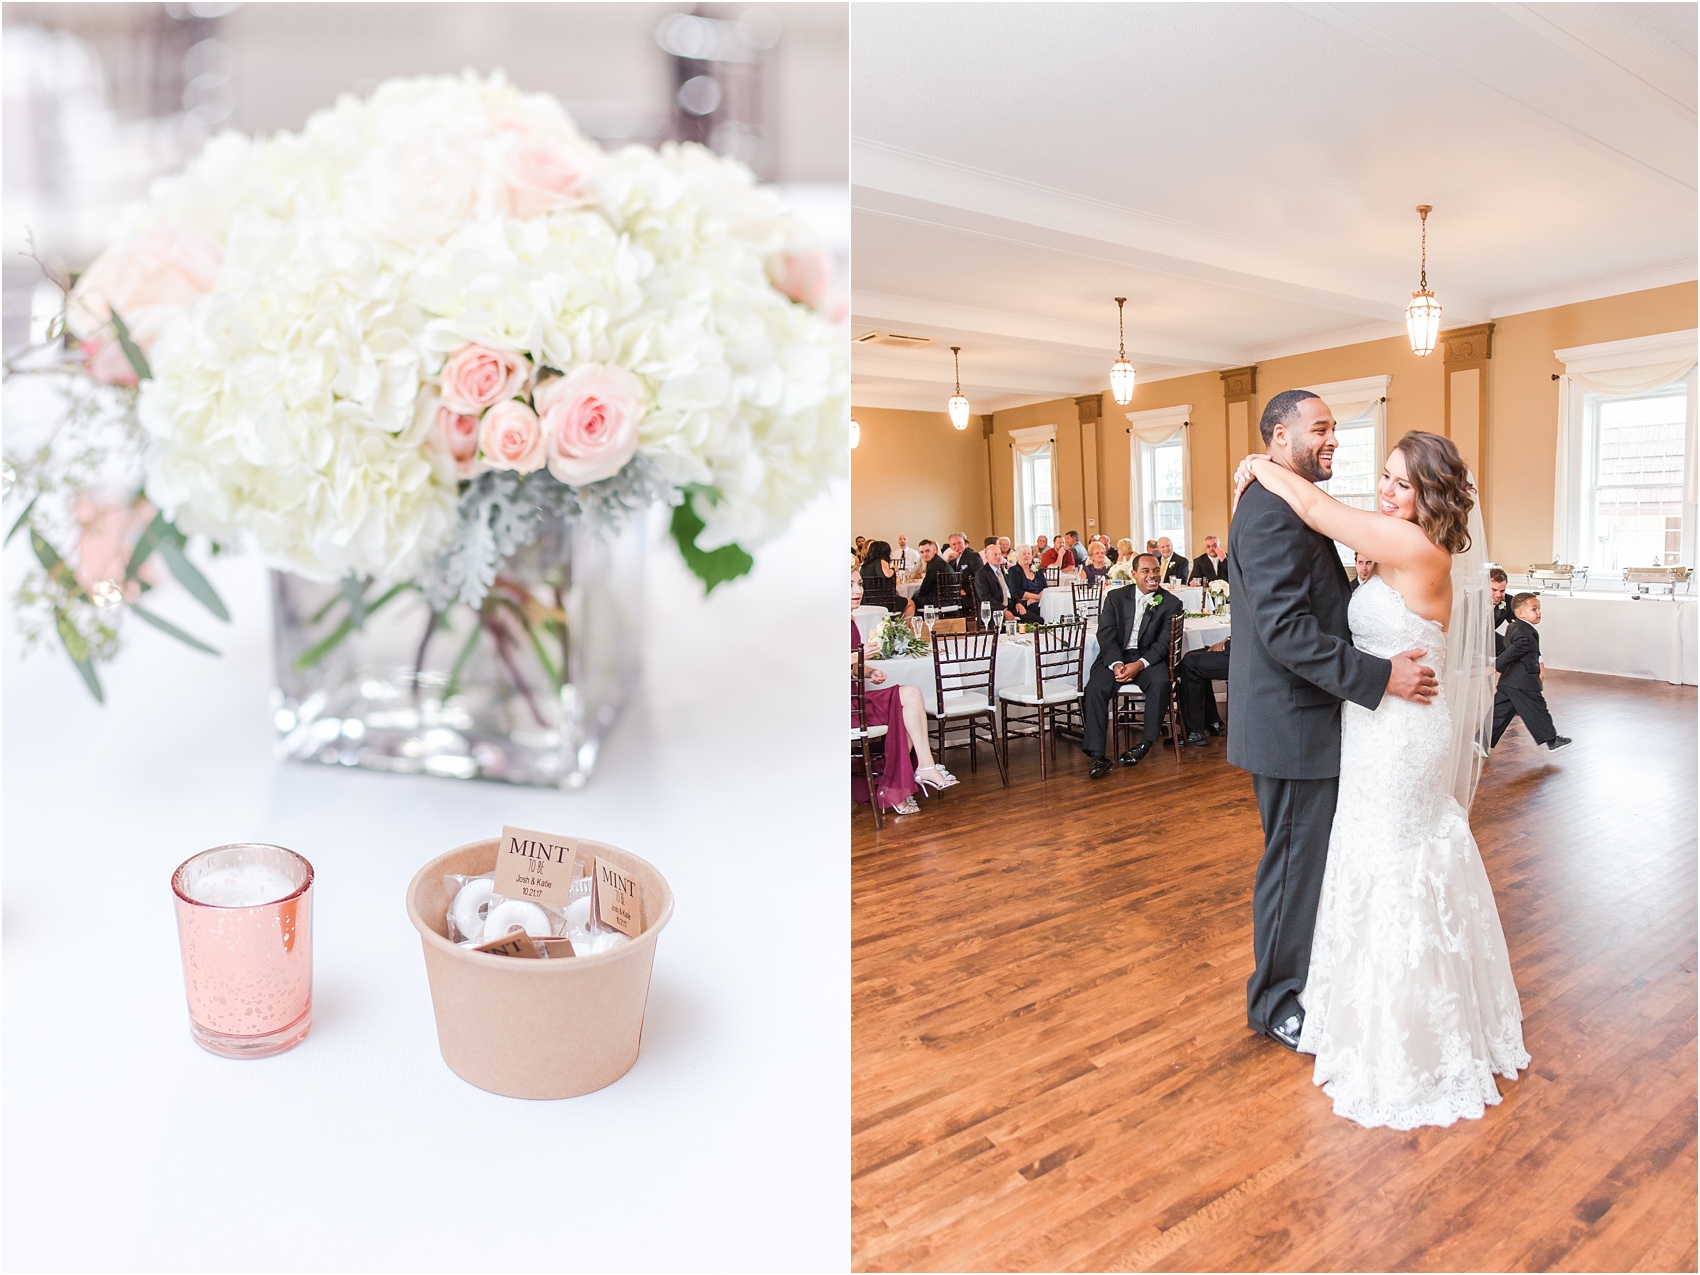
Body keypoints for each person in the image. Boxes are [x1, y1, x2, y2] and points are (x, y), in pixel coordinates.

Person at [1231, 404, 1527, 1130]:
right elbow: (1291, 618)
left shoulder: (1405, 544)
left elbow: (1319, 508)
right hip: (1356, 721)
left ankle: (1399, 1023)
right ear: (1282, 434)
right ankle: (1293, 1001)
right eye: (1384, 478)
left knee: (1383, 865)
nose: (1385, 489)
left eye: (1399, 482)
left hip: (1394, 729)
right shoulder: (1397, 543)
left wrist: (1261, 468)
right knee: (1338, 862)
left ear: (1430, 493)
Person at [852, 598, 958, 816]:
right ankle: (897, 785)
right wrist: (855, 657)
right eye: (850, 584)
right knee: (906, 705)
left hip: (855, 699)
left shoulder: (849, 621)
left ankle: (923, 767)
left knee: (911, 696)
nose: (857, 590)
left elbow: (853, 666)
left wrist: (868, 671)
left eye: (859, 583)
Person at [1081, 553, 1183, 777]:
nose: (1152, 575)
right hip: (1117, 656)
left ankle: (1145, 744)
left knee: (1161, 683)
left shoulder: (1171, 602)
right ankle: (1097, 755)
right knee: (1095, 688)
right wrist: (1117, 663)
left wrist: (1140, 664)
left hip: (1149, 657)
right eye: (1146, 571)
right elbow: (1106, 634)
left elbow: (1164, 643)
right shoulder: (1115, 597)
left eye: (1156, 570)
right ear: (1134, 574)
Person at [1492, 593, 1571, 752]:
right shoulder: (1524, 631)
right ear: (1520, 613)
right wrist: (1496, 664)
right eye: (1534, 609)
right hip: (1523, 681)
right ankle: (1552, 740)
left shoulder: (1513, 627)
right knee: (1537, 709)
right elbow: (1516, 649)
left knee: (1500, 712)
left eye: (1539, 608)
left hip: (1509, 680)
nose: (1539, 612)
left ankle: (1482, 740)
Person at [1178, 637, 1229, 744]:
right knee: (1191, 656)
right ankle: (1213, 722)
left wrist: (1226, 646)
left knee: (1190, 664)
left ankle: (1195, 731)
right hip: (1240, 648)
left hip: (1249, 656)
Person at [975, 541, 1018, 623]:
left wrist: (1018, 602)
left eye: (1000, 554)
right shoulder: (982, 574)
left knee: (1037, 620)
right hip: (995, 610)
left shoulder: (1003, 570)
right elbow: (985, 598)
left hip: (1011, 605)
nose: (999, 557)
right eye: (995, 555)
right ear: (987, 557)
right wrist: (1004, 610)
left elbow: (1012, 590)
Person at [1006, 544, 1046, 623]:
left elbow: (1045, 587)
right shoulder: (1014, 571)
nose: (1027, 556)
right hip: (1023, 603)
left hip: (1040, 600)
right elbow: (1017, 592)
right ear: (1017, 557)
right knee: (1040, 609)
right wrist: (1037, 597)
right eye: (1024, 554)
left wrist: (1038, 599)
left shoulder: (1037, 569)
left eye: (1029, 554)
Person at [858, 540, 902, 612]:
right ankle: (902, 622)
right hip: (883, 601)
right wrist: (893, 570)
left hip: (867, 601)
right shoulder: (880, 561)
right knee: (910, 604)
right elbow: (885, 574)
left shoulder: (865, 564)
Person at [1489, 567, 1511, 656]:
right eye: (1494, 590)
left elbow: (1520, 626)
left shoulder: (1508, 601)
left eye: (1502, 591)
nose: (1498, 595)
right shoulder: (1470, 602)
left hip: (1490, 638)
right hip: (1466, 641)